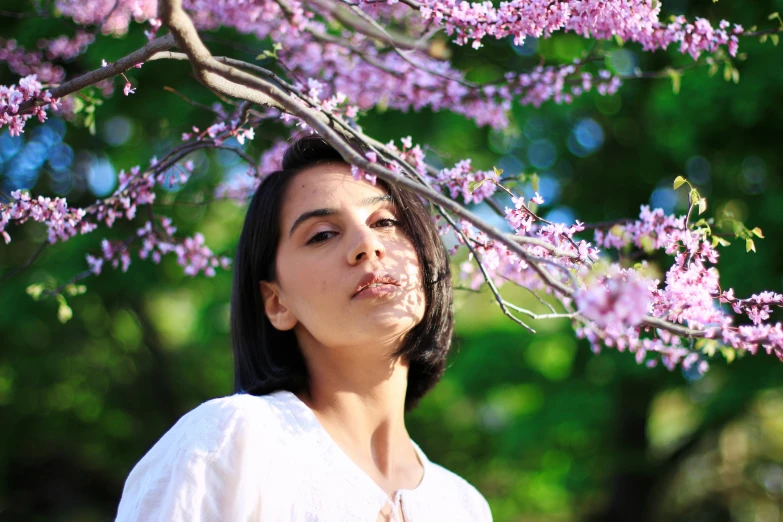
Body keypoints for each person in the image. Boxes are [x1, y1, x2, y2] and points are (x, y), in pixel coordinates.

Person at [114, 134, 493, 521]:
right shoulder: (231, 442)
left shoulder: (464, 505)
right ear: (277, 302)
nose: (367, 244)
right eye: (323, 235)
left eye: (386, 221)